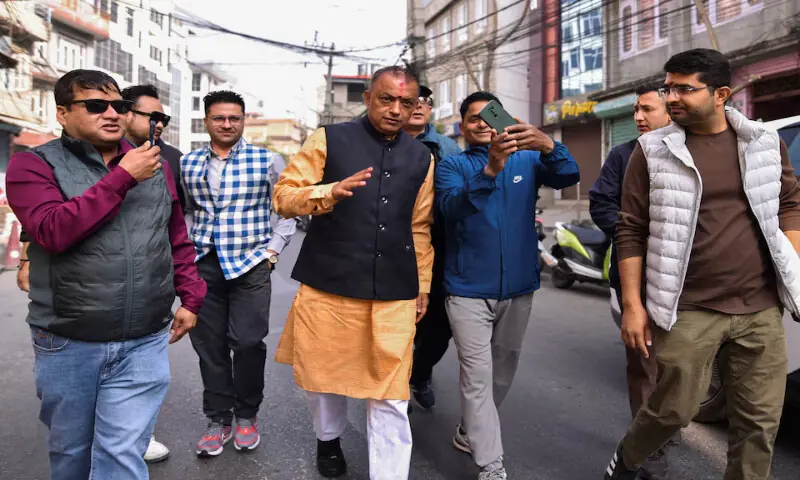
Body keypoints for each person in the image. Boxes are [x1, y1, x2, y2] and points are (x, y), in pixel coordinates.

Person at [603, 49, 800, 480]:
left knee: (759, 423)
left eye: (683, 88)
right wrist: (633, 306)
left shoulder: (764, 143)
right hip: (688, 307)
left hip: (762, 307)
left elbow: (790, 203)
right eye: (667, 87)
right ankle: (628, 458)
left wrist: (792, 259)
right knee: (673, 410)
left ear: (720, 94)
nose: (672, 97)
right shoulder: (651, 151)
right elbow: (631, 228)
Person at [4, 69, 206, 480]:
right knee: (72, 454)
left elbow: (173, 235)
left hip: (144, 339)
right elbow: (54, 230)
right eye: (96, 105)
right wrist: (122, 178)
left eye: (119, 106)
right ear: (62, 112)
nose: (112, 114)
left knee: (121, 454)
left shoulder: (155, 165)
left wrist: (191, 296)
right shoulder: (32, 165)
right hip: (68, 339)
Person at [273, 65, 434, 480]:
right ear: (367, 98)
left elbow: (419, 226)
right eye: (387, 99)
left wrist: (423, 287)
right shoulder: (329, 139)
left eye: (406, 102)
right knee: (323, 377)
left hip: (395, 289)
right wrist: (328, 191)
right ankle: (328, 439)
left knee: (392, 394)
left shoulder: (422, 157)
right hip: (330, 284)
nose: (396, 109)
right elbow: (284, 196)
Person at [436, 91, 579, 479]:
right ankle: (491, 464)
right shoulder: (452, 167)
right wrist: (489, 173)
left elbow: (569, 174)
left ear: (505, 119)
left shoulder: (529, 160)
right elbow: (450, 210)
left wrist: (548, 144)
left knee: (501, 373)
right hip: (466, 290)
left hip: (518, 287)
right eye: (472, 118)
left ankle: (470, 430)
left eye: (490, 116)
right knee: (477, 376)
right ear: (462, 127)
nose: (481, 123)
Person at [181, 90, 297, 456]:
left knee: (247, 343)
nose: (227, 124)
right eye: (219, 118)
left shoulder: (268, 161)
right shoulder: (188, 164)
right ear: (206, 122)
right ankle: (218, 419)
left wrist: (272, 251)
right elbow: (184, 210)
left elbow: (286, 208)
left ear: (244, 120)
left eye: (234, 118)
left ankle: (247, 414)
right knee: (209, 347)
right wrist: (187, 250)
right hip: (205, 264)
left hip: (250, 264)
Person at [588, 83, 674, 479]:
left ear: (671, 112)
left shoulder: (691, 153)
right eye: (636, 110)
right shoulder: (623, 155)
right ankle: (643, 441)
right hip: (634, 273)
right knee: (643, 359)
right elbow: (601, 203)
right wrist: (633, 237)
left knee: (681, 360)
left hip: (687, 276)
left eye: (647, 110)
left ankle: (665, 421)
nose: (638, 117)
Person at [119, 83, 182, 464]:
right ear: (125, 113)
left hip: (152, 282)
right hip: (96, 286)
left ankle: (141, 435)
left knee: (145, 373)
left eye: (163, 117)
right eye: (151, 115)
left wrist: (187, 289)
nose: (158, 123)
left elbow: (179, 224)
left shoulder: (170, 158)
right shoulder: (92, 154)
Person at [403, 84, 461, 410]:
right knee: (397, 321)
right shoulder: (382, 144)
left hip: (439, 245)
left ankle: (420, 373)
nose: (419, 106)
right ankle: (396, 385)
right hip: (391, 245)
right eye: (413, 100)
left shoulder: (448, 148)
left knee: (440, 323)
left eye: (426, 101)